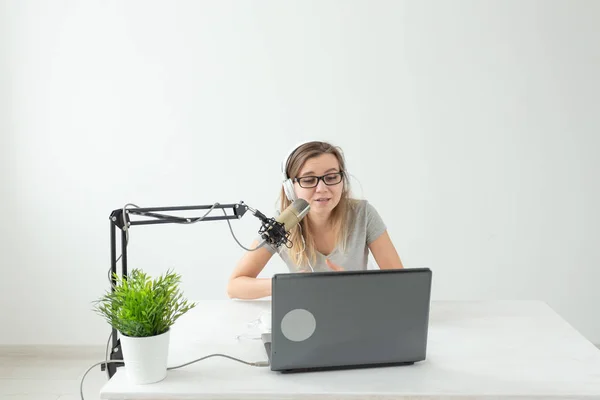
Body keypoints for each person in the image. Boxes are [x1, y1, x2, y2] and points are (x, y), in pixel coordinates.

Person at [227, 140, 404, 299]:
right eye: (309, 180)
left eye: (332, 177)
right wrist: (286, 284)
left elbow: (401, 283)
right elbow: (234, 286)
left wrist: (355, 285)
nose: (322, 188)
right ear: (290, 187)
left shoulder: (363, 214)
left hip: (355, 312)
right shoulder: (281, 224)